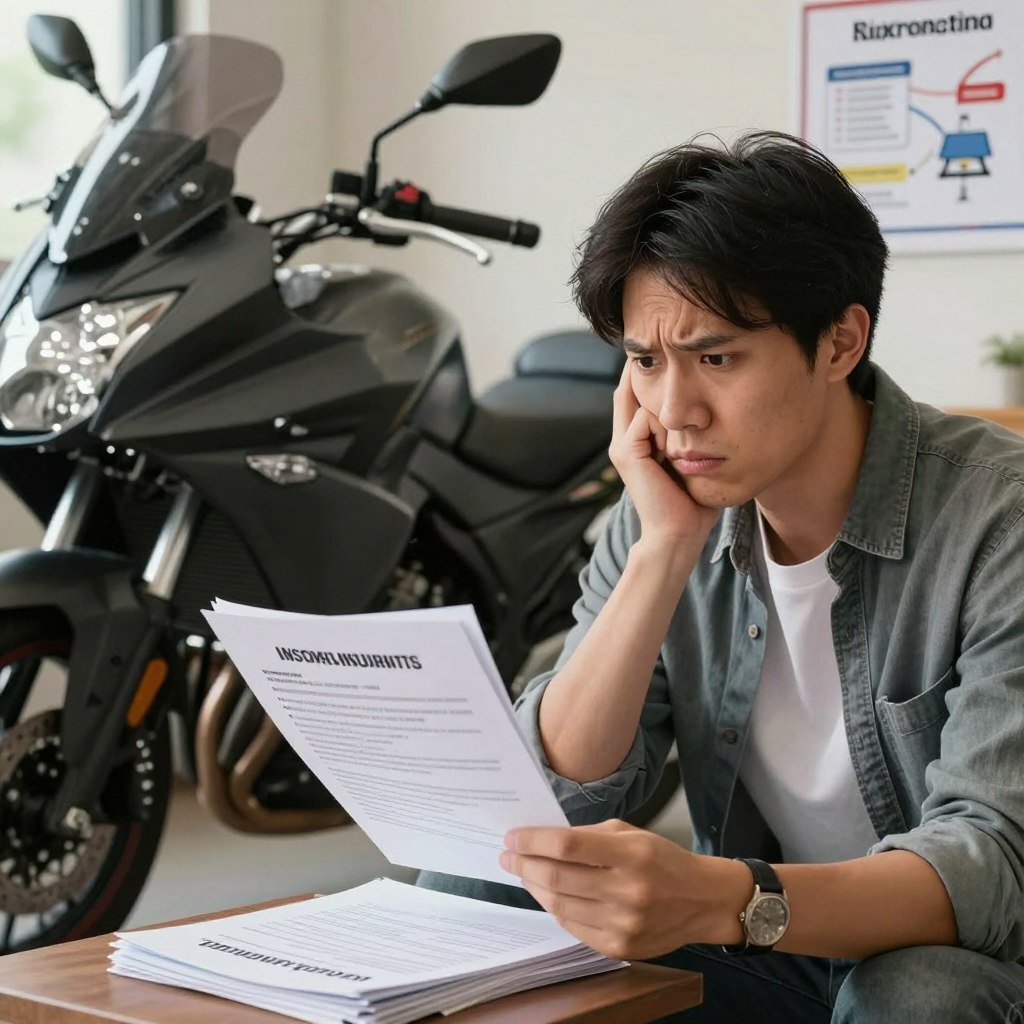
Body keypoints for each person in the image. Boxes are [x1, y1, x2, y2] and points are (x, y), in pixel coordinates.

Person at [418, 131, 1024, 1022]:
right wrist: (663, 549)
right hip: (770, 947)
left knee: (917, 991)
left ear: (840, 341)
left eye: (717, 358)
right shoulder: (661, 508)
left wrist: (722, 898)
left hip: (977, 961)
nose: (674, 412)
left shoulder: (998, 519)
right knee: (482, 881)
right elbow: (551, 801)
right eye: (645, 362)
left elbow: (992, 867)